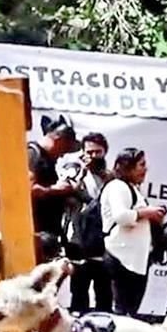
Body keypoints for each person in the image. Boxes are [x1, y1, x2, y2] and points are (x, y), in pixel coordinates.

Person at [101, 148, 166, 316]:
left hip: (134, 260)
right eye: (141, 165)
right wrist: (147, 212)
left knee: (129, 312)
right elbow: (121, 216)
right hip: (120, 257)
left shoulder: (133, 189)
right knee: (120, 313)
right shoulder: (118, 187)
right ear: (128, 166)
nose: (145, 169)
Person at [60, 132, 114, 313]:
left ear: (105, 152)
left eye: (97, 152)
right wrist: (80, 174)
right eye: (89, 152)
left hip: (103, 244)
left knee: (104, 293)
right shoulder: (74, 171)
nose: (93, 157)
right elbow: (65, 193)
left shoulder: (110, 178)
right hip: (79, 242)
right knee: (79, 292)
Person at [28, 115, 80, 260]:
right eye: (66, 148)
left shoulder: (47, 160)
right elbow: (28, 190)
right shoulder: (33, 155)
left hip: (48, 233)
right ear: (59, 140)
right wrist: (57, 190)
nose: (63, 155)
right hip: (37, 233)